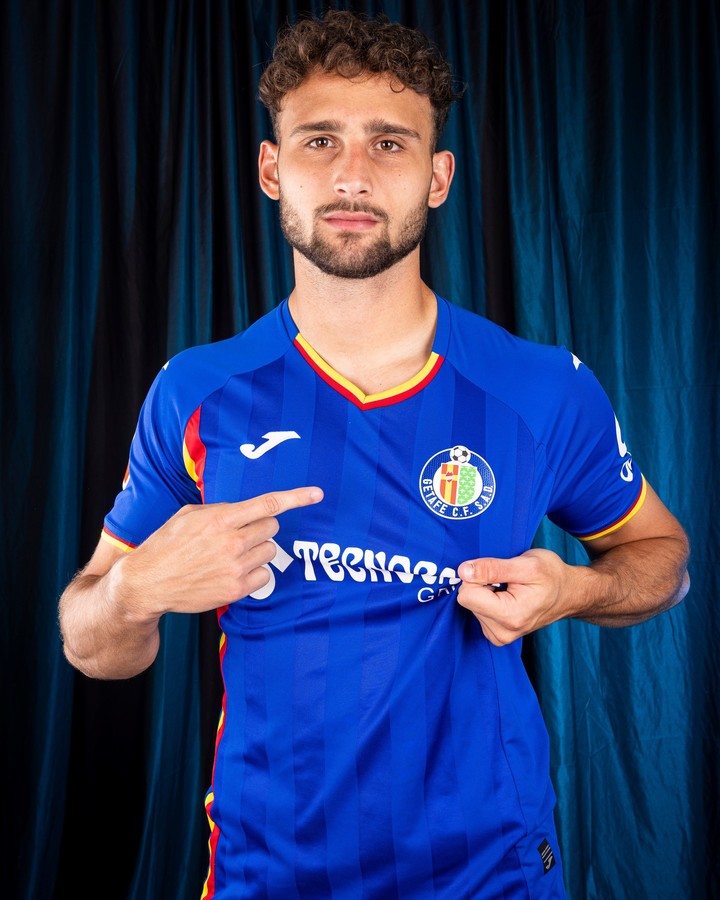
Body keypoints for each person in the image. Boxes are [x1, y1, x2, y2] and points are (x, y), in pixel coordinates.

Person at [59, 10, 690, 899]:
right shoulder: (196, 393)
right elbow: (94, 645)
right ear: (272, 170)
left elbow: (665, 559)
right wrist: (135, 591)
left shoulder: (541, 388)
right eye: (321, 141)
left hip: (488, 872)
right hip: (265, 872)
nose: (352, 174)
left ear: (438, 178)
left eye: (390, 143)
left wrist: (576, 589)